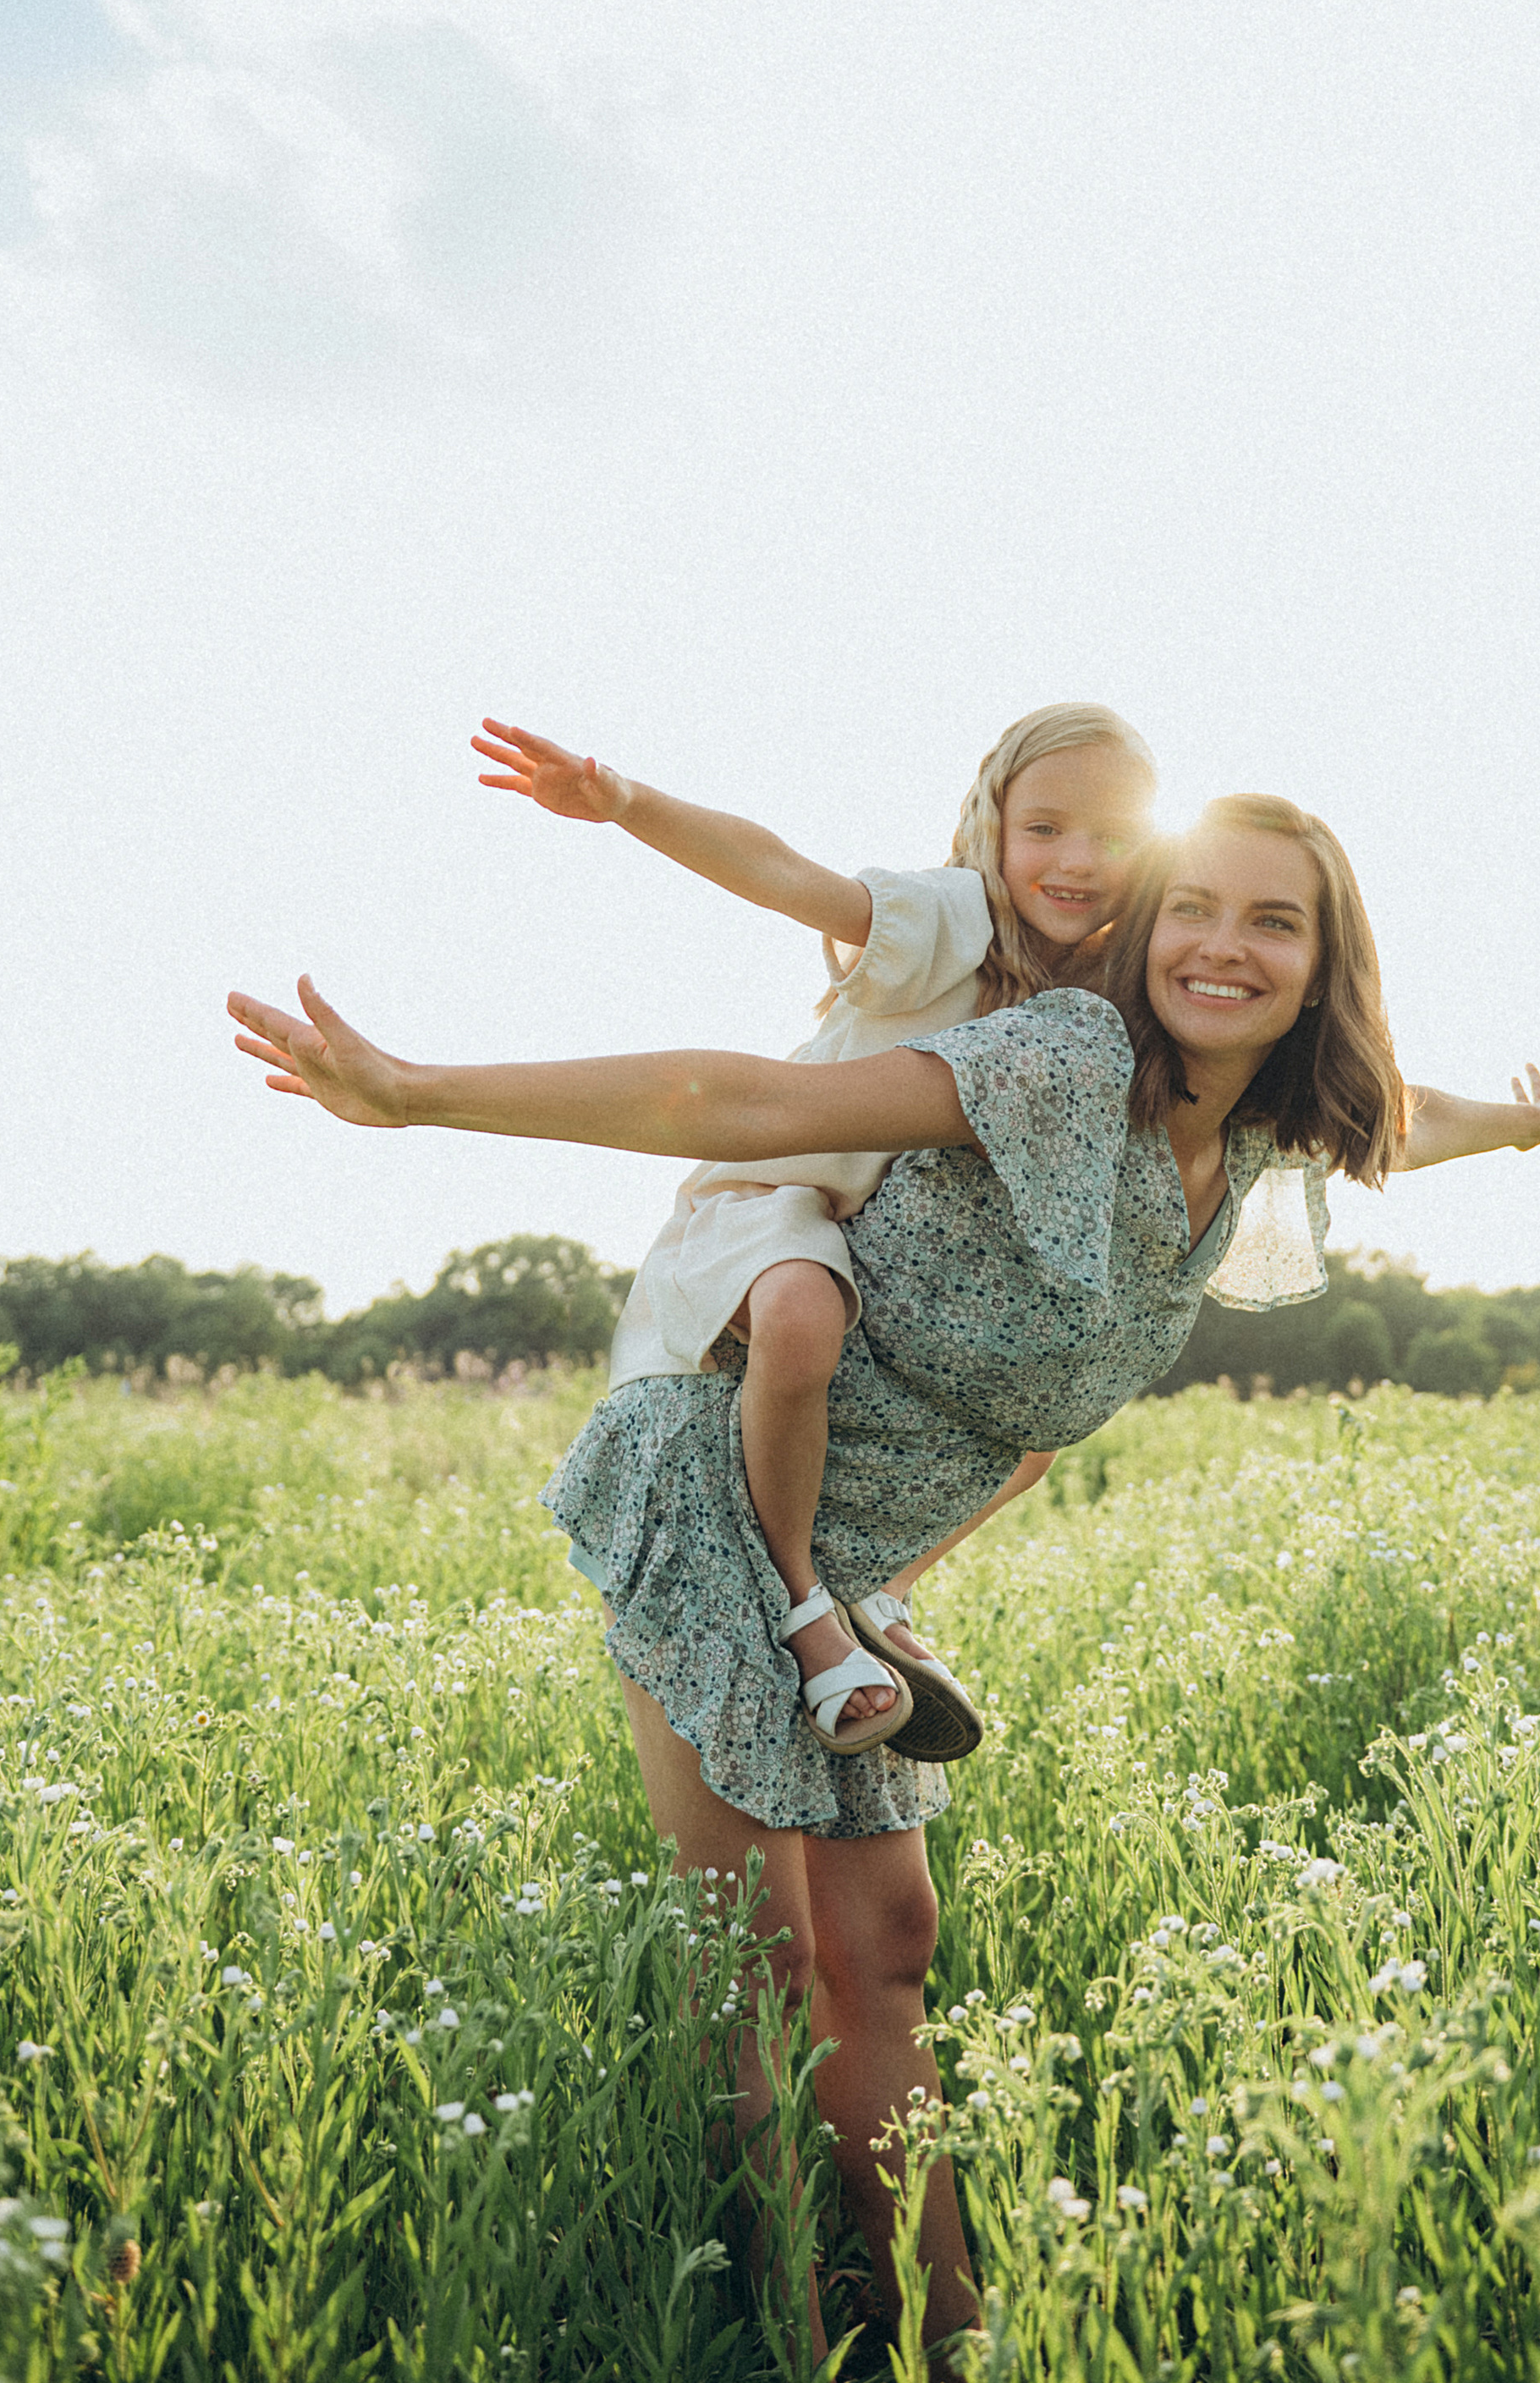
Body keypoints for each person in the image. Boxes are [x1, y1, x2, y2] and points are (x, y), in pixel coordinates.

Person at [229, 790, 1540, 2383]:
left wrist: (1535, 1129)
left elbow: (1401, 1119)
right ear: (1135, 928)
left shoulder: (1255, 1145)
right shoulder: (1053, 1061)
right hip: (714, 1490)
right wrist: (419, 1095)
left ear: (1321, 966)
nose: (1217, 947)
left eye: (1272, 924)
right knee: (769, 1973)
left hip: (851, 1574)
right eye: (1192, 906)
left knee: (885, 1960)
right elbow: (739, 1105)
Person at [470, 702, 1158, 1756]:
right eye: (1047, 829)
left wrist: (1513, 1130)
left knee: (1036, 1432)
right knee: (797, 1319)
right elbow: (785, 874)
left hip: (873, 1247)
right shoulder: (952, 918)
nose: (1077, 860)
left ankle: (886, 1590)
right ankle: (805, 1607)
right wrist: (623, 802)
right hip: (771, 1198)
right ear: (994, 824)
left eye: (1114, 836)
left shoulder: (1104, 995)